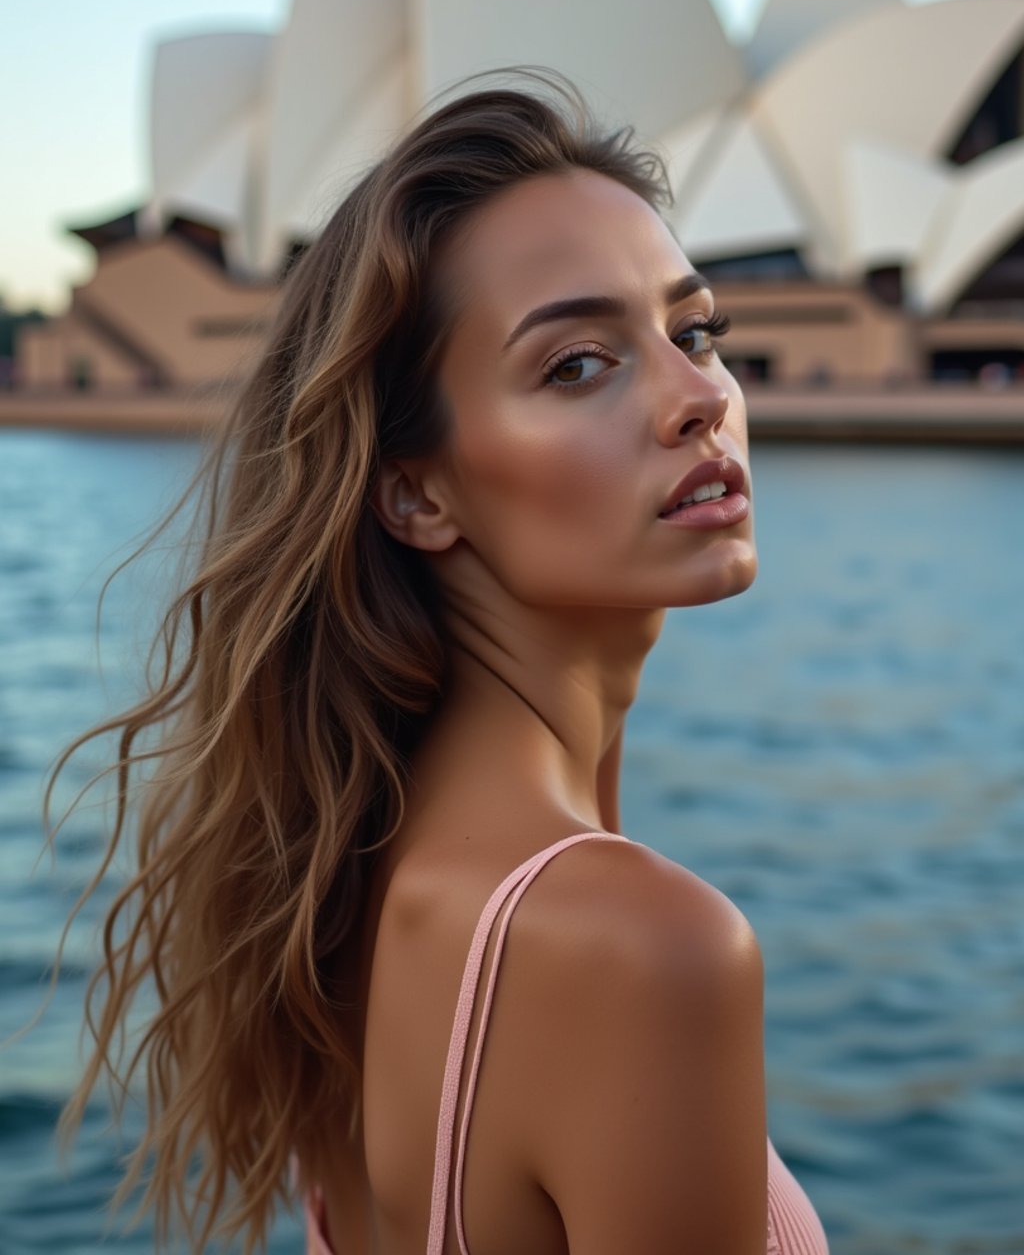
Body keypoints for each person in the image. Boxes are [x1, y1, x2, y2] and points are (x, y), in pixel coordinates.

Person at [49, 73, 829, 1254]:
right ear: (415, 491)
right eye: (577, 364)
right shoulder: (644, 949)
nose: (697, 400)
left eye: (693, 332)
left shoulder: (332, 879)